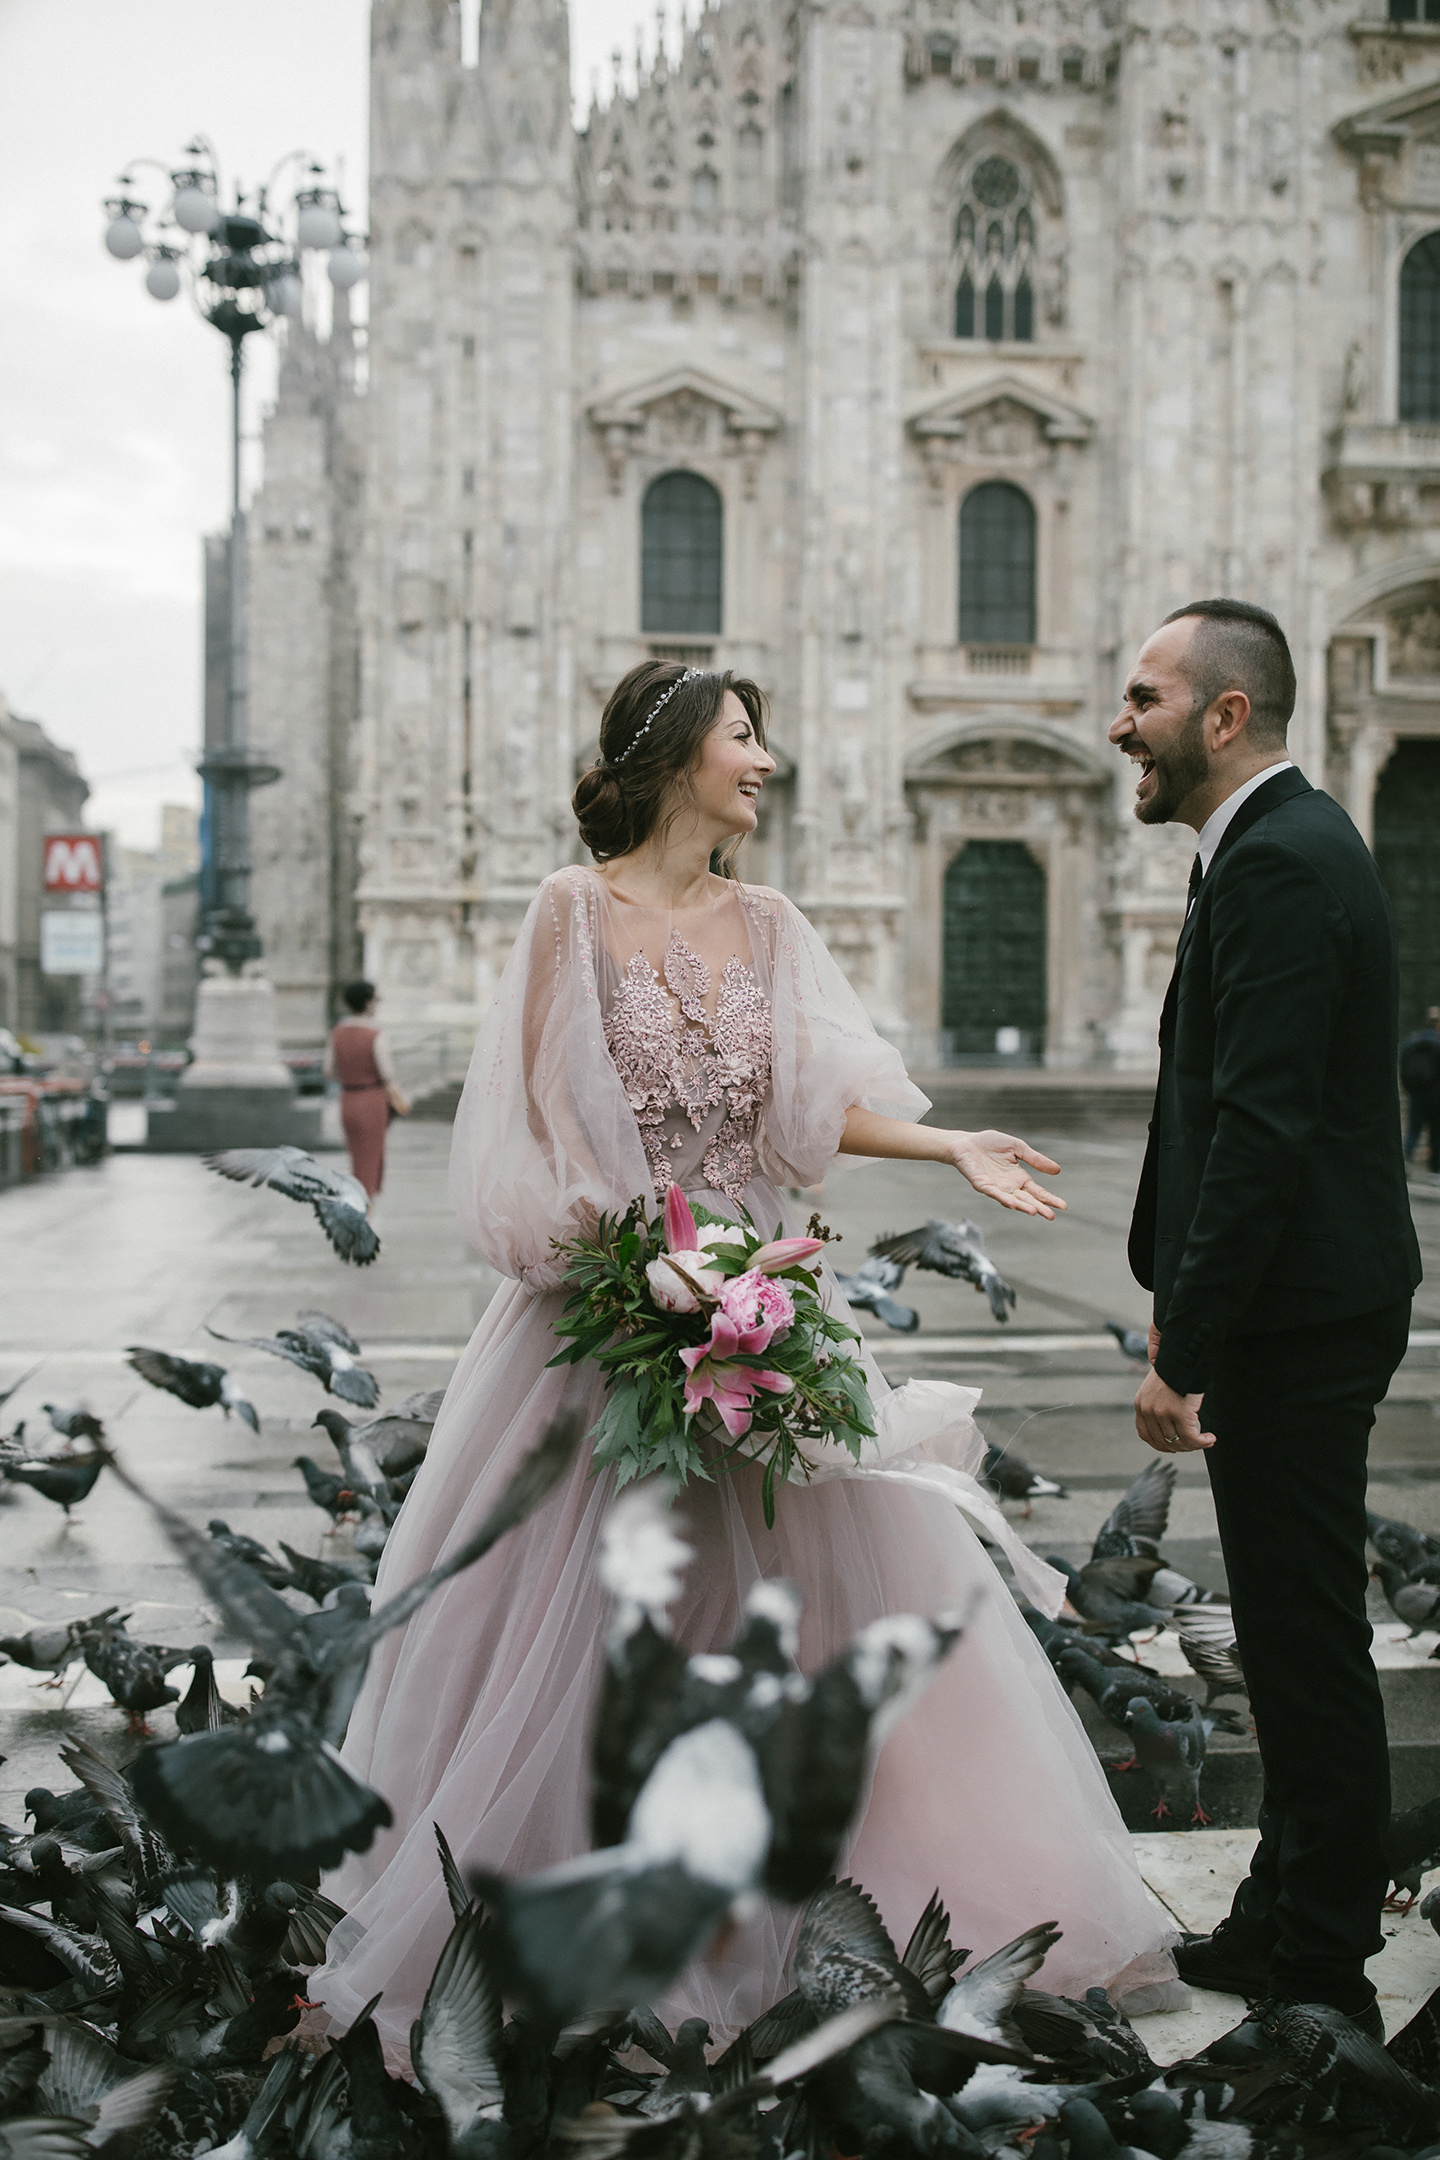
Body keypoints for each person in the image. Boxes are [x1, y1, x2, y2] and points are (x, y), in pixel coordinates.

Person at [307, 661, 1176, 2063]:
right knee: (602, 1630)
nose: (765, 762)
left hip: (767, 1306)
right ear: (674, 759)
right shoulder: (568, 913)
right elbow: (531, 1131)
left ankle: (814, 1920)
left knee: (801, 1612)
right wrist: (631, 1267)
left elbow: (812, 1113)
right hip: (602, 1316)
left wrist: (949, 1142)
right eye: (744, 737)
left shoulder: (770, 923)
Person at [1111, 598, 1422, 2043]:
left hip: (1295, 1316)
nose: (1124, 725)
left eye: (1147, 697)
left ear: (1225, 717)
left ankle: (1323, 1962)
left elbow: (1263, 1124)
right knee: (1292, 1629)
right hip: (1306, 1303)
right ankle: (1283, 1909)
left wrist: (1190, 1342)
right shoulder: (1276, 850)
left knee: (1303, 1643)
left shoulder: (1286, 861)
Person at [325, 980, 410, 1200]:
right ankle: (363, 1208)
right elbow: (387, 1075)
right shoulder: (375, 1034)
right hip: (371, 1099)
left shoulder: (338, 1032)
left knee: (356, 1157)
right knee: (371, 1158)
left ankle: (359, 1202)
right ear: (368, 1003)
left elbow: (329, 1070)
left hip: (348, 1099)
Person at [1399, 1006, 1440, 1173]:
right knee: (1436, 1132)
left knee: (1413, 1130)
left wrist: (1410, 1089)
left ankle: (1404, 1161)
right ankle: (1435, 1169)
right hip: (1436, 1097)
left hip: (1416, 1095)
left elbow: (1403, 1066)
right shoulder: (1438, 1043)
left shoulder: (1411, 1041)